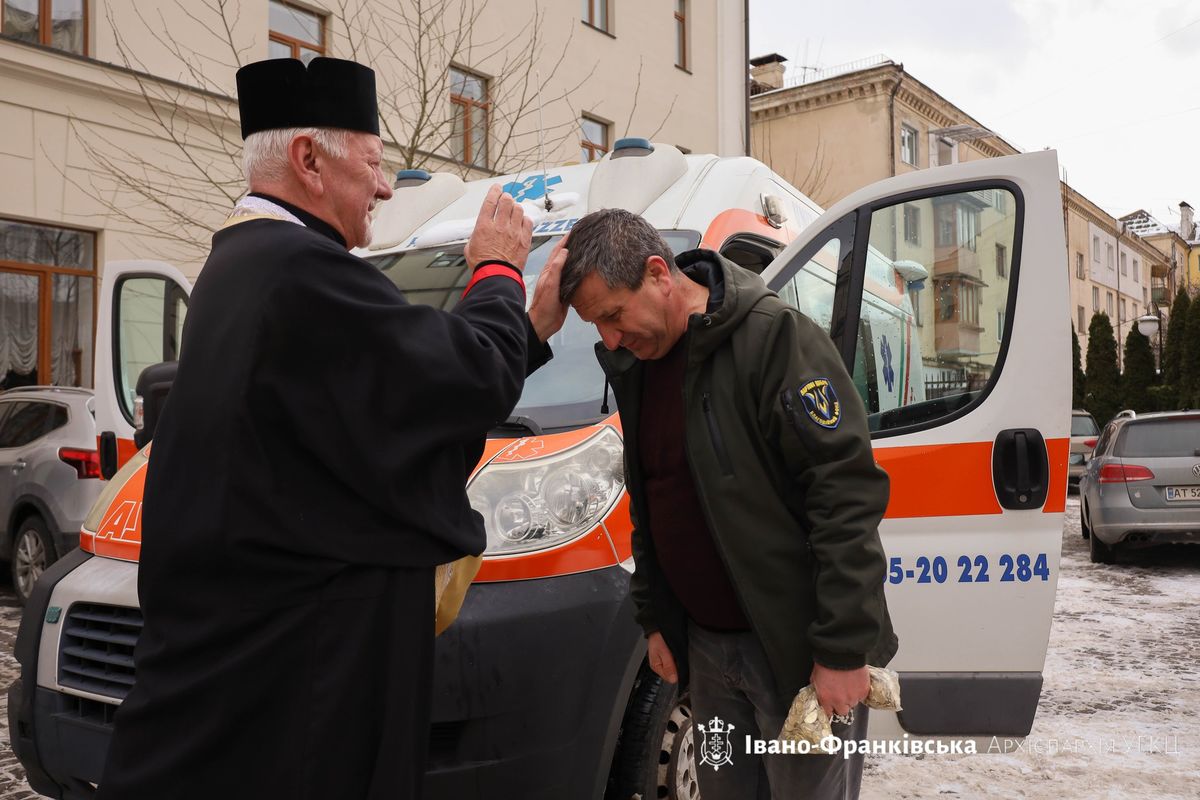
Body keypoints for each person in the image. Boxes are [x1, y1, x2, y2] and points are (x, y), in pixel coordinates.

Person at [96, 57, 568, 800]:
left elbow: (391, 417)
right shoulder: (298, 272)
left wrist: (526, 336)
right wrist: (497, 274)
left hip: (254, 687)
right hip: (295, 705)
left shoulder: (244, 266)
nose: (385, 187)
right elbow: (460, 378)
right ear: (309, 160)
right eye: (375, 163)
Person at [557, 209, 897, 800]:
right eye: (596, 325)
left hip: (795, 658)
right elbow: (654, 498)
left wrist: (843, 649)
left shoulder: (775, 340)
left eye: (613, 315)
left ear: (659, 273)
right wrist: (656, 619)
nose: (609, 339)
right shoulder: (640, 366)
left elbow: (846, 496)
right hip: (711, 659)